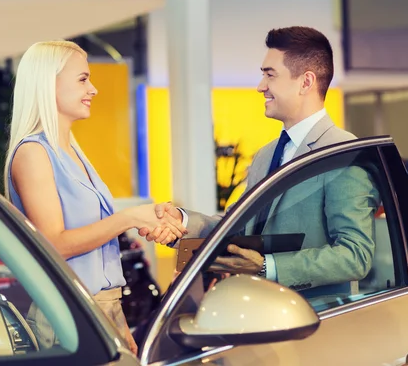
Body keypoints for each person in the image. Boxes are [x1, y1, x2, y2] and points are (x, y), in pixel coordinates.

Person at [144, 26, 380, 297]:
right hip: (261, 312)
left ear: (306, 82)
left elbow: (355, 255)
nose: (260, 87)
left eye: (270, 75)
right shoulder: (266, 155)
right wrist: (181, 221)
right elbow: (236, 226)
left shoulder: (342, 153)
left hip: (316, 320)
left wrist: (267, 266)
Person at [5, 40, 186, 355]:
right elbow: (55, 244)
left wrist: (119, 325)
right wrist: (128, 218)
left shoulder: (72, 151)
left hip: (104, 309)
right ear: (49, 84)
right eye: (82, 79)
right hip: (69, 316)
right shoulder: (33, 153)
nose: (94, 89)